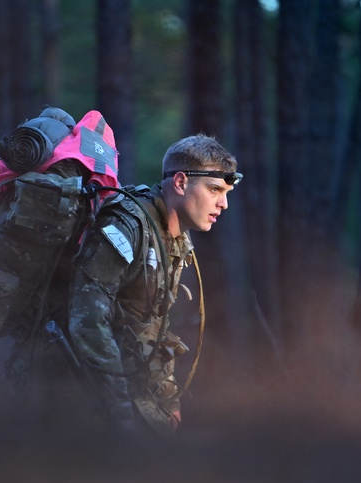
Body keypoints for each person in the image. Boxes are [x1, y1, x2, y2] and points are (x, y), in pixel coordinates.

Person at [67, 134, 240, 436]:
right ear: (181, 183)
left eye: (226, 193)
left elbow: (151, 327)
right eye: (214, 190)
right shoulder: (127, 226)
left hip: (129, 392)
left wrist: (166, 400)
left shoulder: (174, 238)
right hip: (75, 394)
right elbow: (88, 321)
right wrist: (120, 413)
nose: (223, 204)